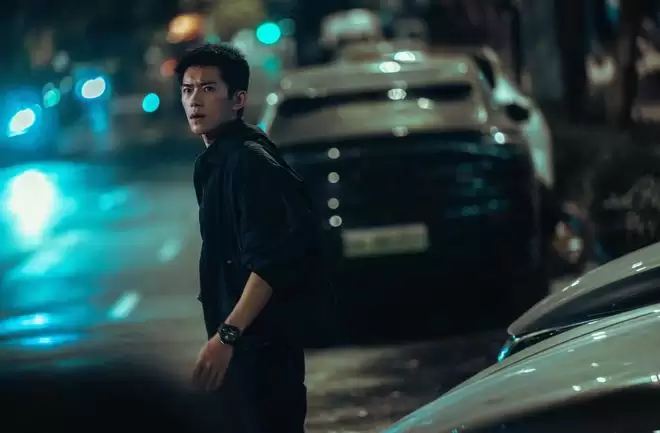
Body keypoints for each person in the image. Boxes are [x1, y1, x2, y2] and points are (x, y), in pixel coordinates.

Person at [175, 43, 318, 432]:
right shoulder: (214, 163)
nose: (195, 100)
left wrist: (227, 336)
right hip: (246, 349)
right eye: (187, 89)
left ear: (238, 99)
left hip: (264, 351)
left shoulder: (249, 161)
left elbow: (270, 262)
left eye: (208, 88)